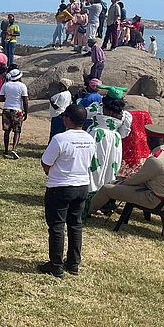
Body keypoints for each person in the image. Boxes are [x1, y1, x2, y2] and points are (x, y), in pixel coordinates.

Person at [39, 104, 95, 277]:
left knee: (56, 226)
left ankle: (56, 265)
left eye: (64, 116)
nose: (62, 118)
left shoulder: (60, 139)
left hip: (61, 186)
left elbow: (46, 162)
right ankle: (73, 264)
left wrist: (50, 171)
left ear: (69, 118)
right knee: (75, 224)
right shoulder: (89, 138)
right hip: (81, 185)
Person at [89, 124, 164, 215]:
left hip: (152, 198)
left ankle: (88, 210)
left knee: (107, 188)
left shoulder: (156, 160)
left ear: (151, 140)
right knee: (117, 181)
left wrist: (120, 183)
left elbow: (136, 180)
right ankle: (105, 206)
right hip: (161, 196)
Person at [0, 69, 29, 159]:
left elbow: (1, 98)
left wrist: (9, 97)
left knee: (6, 131)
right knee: (17, 131)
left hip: (6, 109)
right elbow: (25, 100)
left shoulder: (5, 85)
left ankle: (6, 149)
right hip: (17, 110)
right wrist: (26, 112)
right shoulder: (22, 86)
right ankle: (14, 149)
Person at [120, 110, 153, 177]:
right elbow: (150, 130)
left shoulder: (124, 114)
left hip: (126, 146)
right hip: (142, 147)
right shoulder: (144, 114)